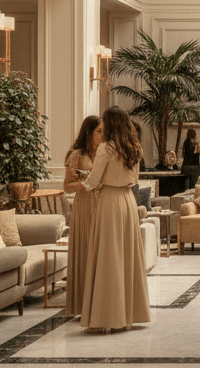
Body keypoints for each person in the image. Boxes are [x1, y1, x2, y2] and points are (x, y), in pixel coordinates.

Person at [80, 106, 151, 332]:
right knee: (127, 257)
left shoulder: (105, 148)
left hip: (110, 201)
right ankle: (129, 314)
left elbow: (94, 180)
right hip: (128, 201)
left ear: (110, 124)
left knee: (109, 259)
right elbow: (134, 178)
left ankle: (108, 316)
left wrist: (82, 183)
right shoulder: (134, 147)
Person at [62, 115, 102, 317]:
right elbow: (67, 187)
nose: (103, 136)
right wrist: (87, 182)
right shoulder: (77, 155)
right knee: (86, 252)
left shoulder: (105, 153)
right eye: (99, 132)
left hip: (103, 206)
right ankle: (83, 305)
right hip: (85, 207)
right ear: (89, 132)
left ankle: (100, 304)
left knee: (101, 255)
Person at [182, 127, 200, 191]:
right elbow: (197, 153)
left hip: (186, 166)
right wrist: (197, 144)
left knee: (186, 186)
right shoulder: (195, 143)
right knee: (193, 186)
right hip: (194, 166)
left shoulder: (185, 142)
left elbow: (183, 154)